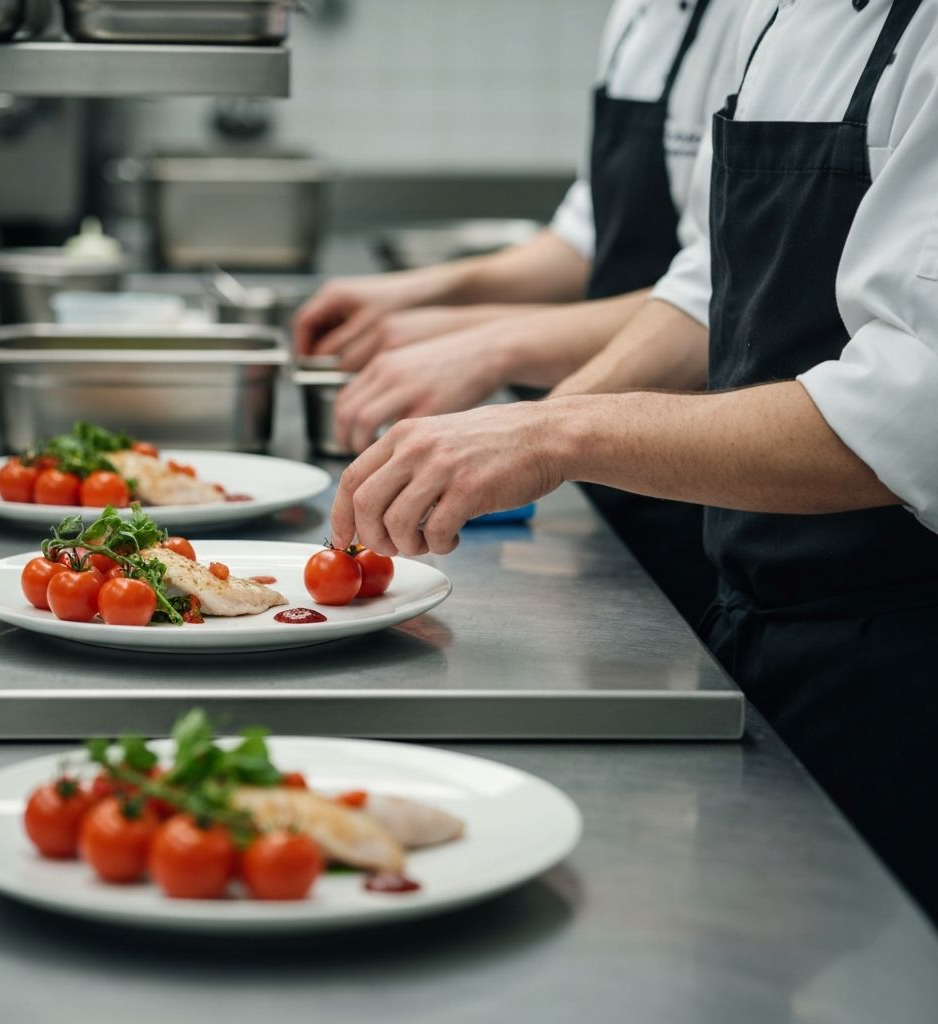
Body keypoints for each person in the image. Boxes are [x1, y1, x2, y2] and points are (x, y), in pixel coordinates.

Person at [329, 0, 938, 922]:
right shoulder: (780, 14)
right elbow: (705, 284)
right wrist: (537, 432)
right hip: (761, 605)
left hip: (907, 650)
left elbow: (910, 414)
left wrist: (555, 434)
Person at [296, 0, 746, 627]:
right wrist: (424, 293)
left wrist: (498, 360)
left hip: (705, 462)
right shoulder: (638, 16)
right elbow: (588, 241)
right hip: (620, 451)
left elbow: (724, 294)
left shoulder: (758, 20)